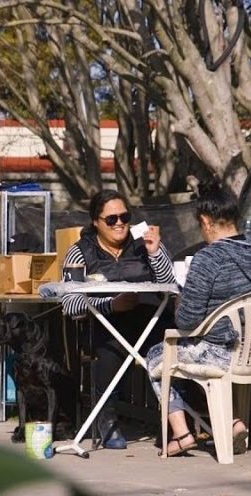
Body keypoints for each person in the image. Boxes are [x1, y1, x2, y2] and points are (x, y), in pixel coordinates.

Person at [145, 179, 251, 457]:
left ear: (206, 221)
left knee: (157, 357)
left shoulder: (208, 259)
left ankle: (182, 435)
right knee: (185, 356)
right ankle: (230, 421)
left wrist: (179, 298)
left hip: (222, 354)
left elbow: (186, 322)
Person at [61, 189, 177, 449]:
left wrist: (156, 254)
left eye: (124, 216)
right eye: (111, 219)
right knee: (108, 348)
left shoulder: (145, 242)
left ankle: (174, 421)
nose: (120, 223)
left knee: (170, 349)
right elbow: (69, 304)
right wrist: (111, 305)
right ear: (95, 222)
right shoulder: (79, 252)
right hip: (107, 324)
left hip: (150, 320)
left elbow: (171, 286)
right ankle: (106, 416)